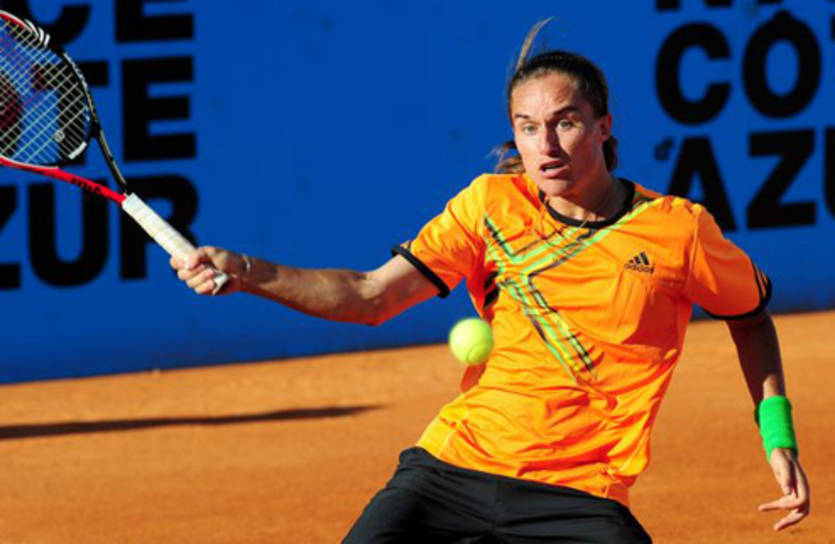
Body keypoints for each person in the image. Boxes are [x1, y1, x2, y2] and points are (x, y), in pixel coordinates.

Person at [171, 19, 810, 543]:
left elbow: (750, 316)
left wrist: (777, 437)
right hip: (451, 470)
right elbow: (371, 296)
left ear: (604, 126)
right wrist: (247, 272)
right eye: (527, 128)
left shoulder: (676, 231)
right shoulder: (488, 207)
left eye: (565, 122)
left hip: (581, 496)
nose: (546, 145)